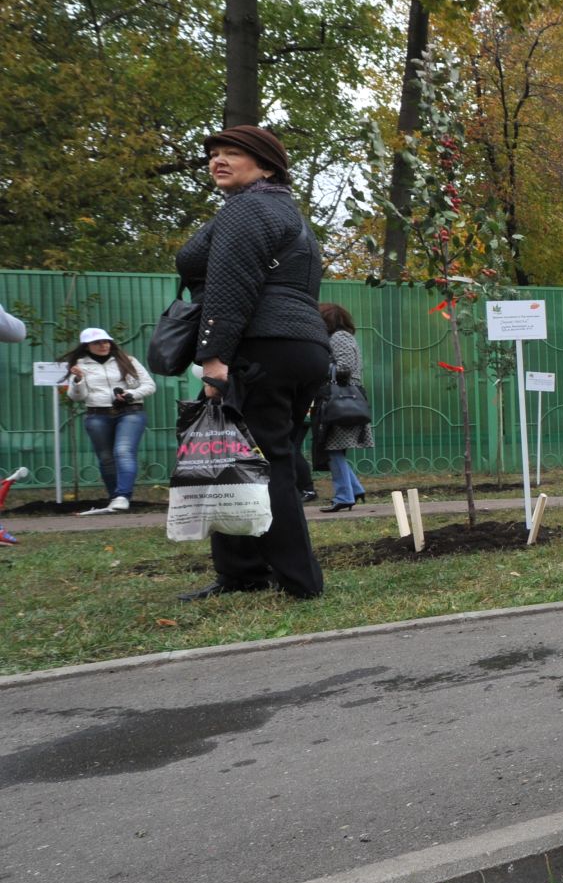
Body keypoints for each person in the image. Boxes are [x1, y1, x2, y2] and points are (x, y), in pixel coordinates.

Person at [175, 124, 329, 599]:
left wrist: (213, 358)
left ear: (266, 165)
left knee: (264, 463)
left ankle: (300, 582)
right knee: (237, 455)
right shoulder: (287, 213)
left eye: (232, 153)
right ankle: (242, 571)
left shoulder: (248, 209)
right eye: (213, 154)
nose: (217, 160)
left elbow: (229, 285)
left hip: (260, 346)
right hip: (302, 346)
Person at [64, 327, 156, 513]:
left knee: (123, 451)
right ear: (87, 346)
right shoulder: (80, 365)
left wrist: (130, 394)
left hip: (130, 411)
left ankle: (123, 496)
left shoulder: (127, 361)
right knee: (106, 458)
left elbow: (149, 385)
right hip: (97, 414)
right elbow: (77, 397)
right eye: (97, 342)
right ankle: (115, 498)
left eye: (106, 341)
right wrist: (78, 380)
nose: (103, 345)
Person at [315, 303, 373, 511]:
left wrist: (320, 368)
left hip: (341, 400)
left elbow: (344, 367)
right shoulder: (343, 337)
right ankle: (354, 490)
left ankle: (344, 496)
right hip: (343, 399)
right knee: (334, 449)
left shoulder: (339, 337)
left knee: (333, 449)